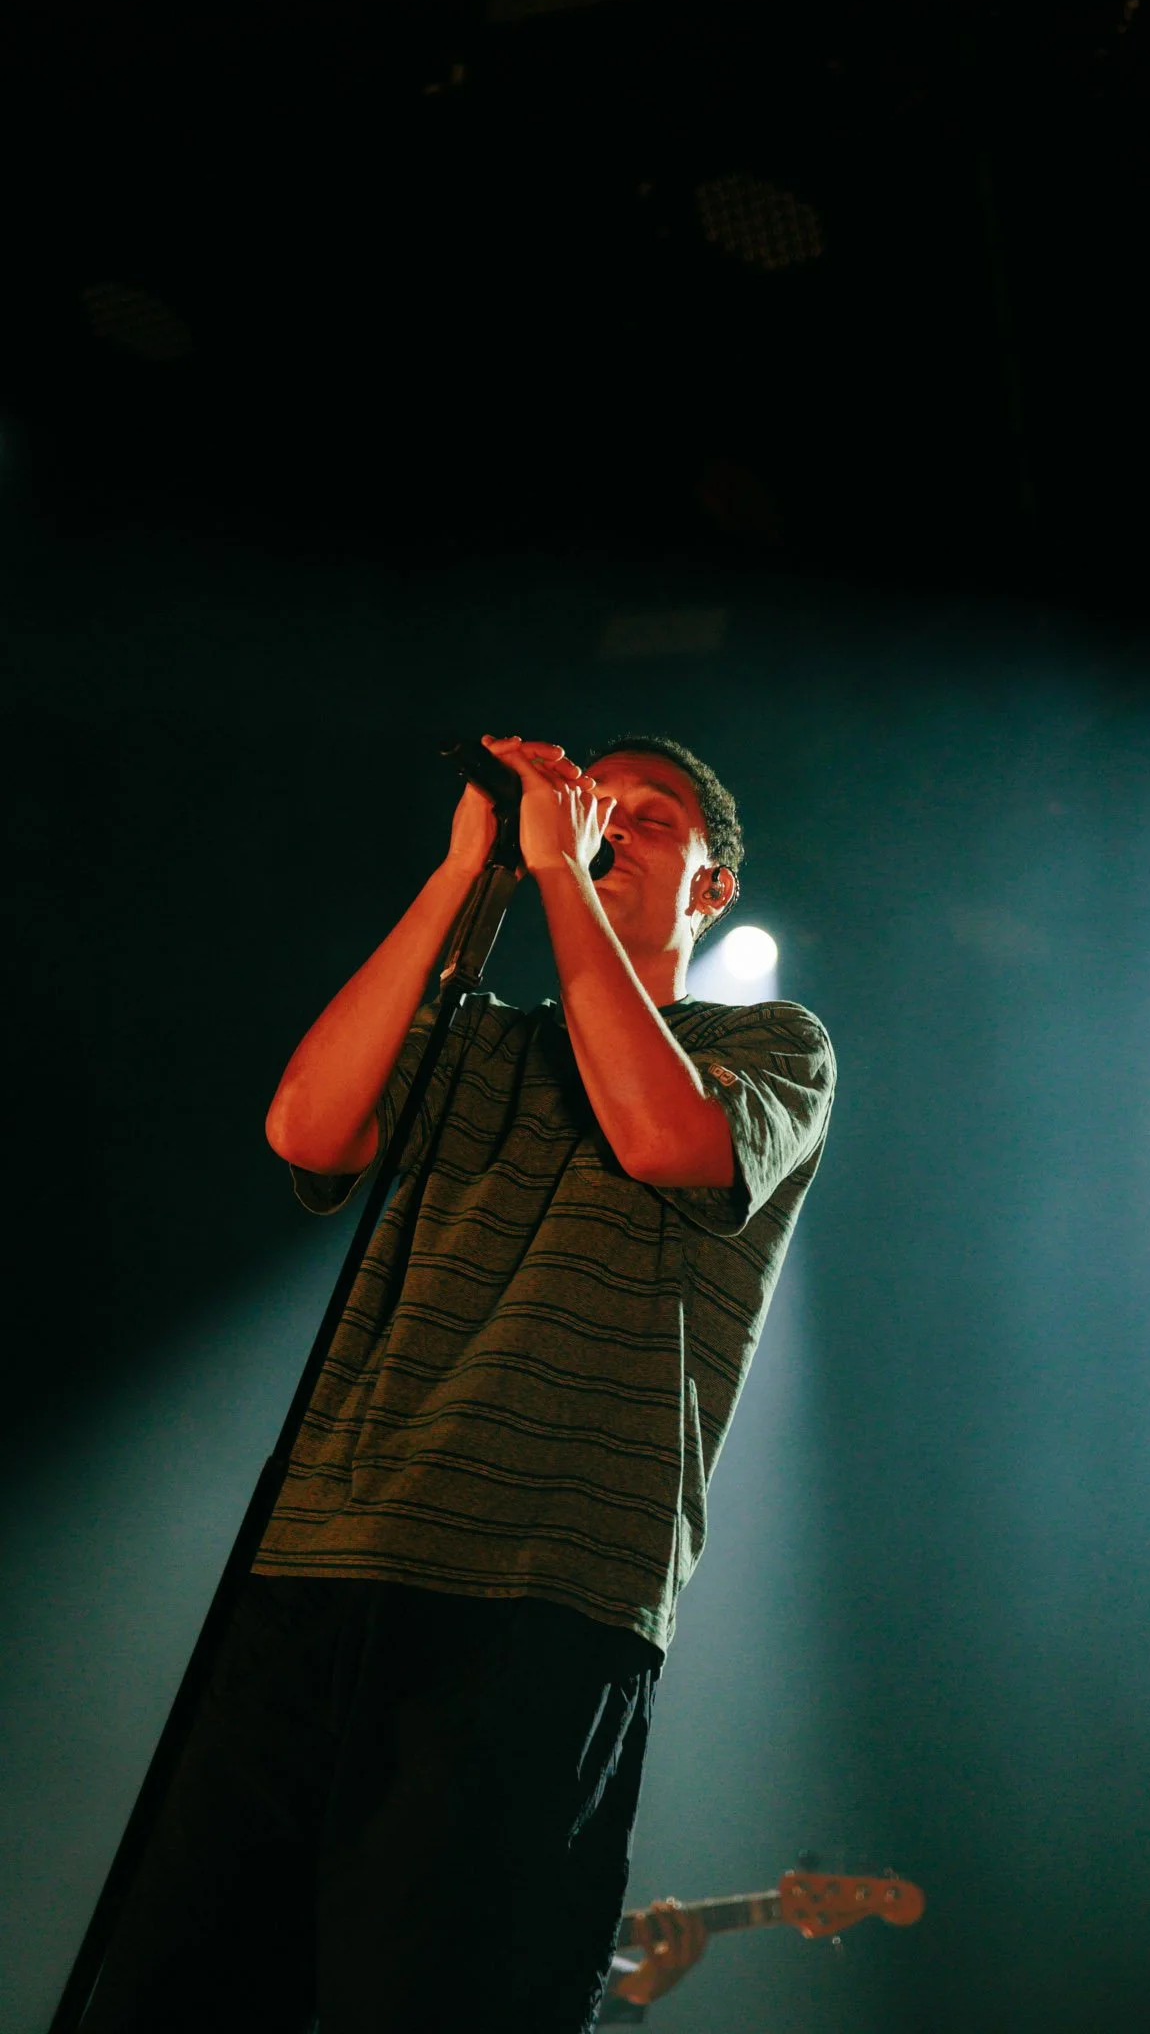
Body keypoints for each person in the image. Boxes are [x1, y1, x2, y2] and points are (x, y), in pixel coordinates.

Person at [83, 732, 835, 2034]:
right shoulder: (473, 1038)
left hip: (544, 1594)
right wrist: (466, 877)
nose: (606, 826)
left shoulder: (769, 1043)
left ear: (714, 888)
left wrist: (564, 881)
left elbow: (664, 1137)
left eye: (649, 820)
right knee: (183, 1984)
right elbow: (305, 1128)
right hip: (320, 1563)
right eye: (597, 804)